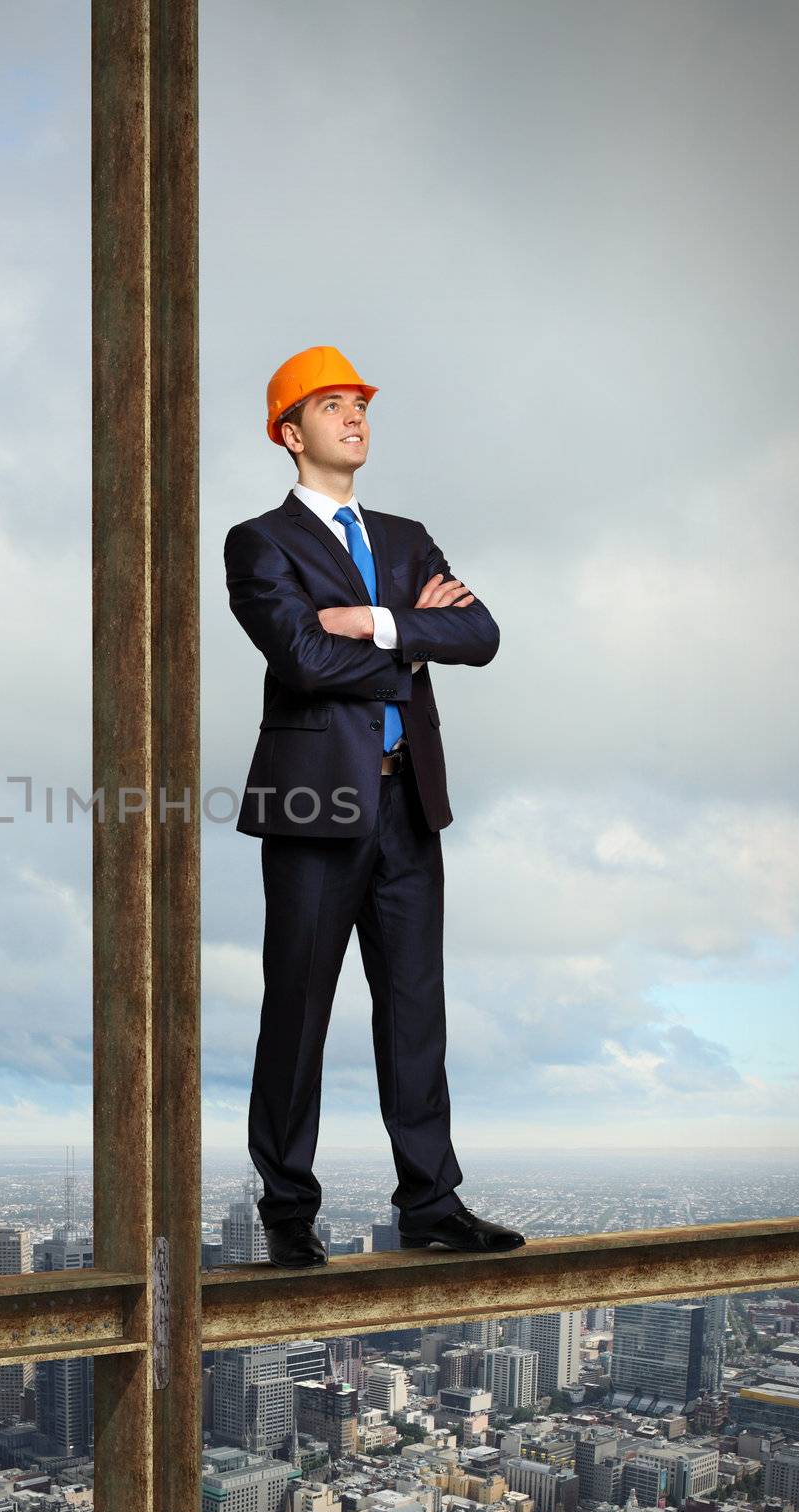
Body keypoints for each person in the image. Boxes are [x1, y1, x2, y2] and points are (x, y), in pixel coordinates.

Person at [223, 345, 526, 1268]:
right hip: (314, 804)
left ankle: (432, 1204)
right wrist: (411, 641)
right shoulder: (258, 542)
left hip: (407, 806)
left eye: (360, 403)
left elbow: (480, 632)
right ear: (289, 432)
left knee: (413, 1010)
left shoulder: (403, 538)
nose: (355, 416)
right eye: (331, 404)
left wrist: (376, 621)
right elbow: (302, 663)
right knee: (299, 1010)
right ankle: (285, 1212)